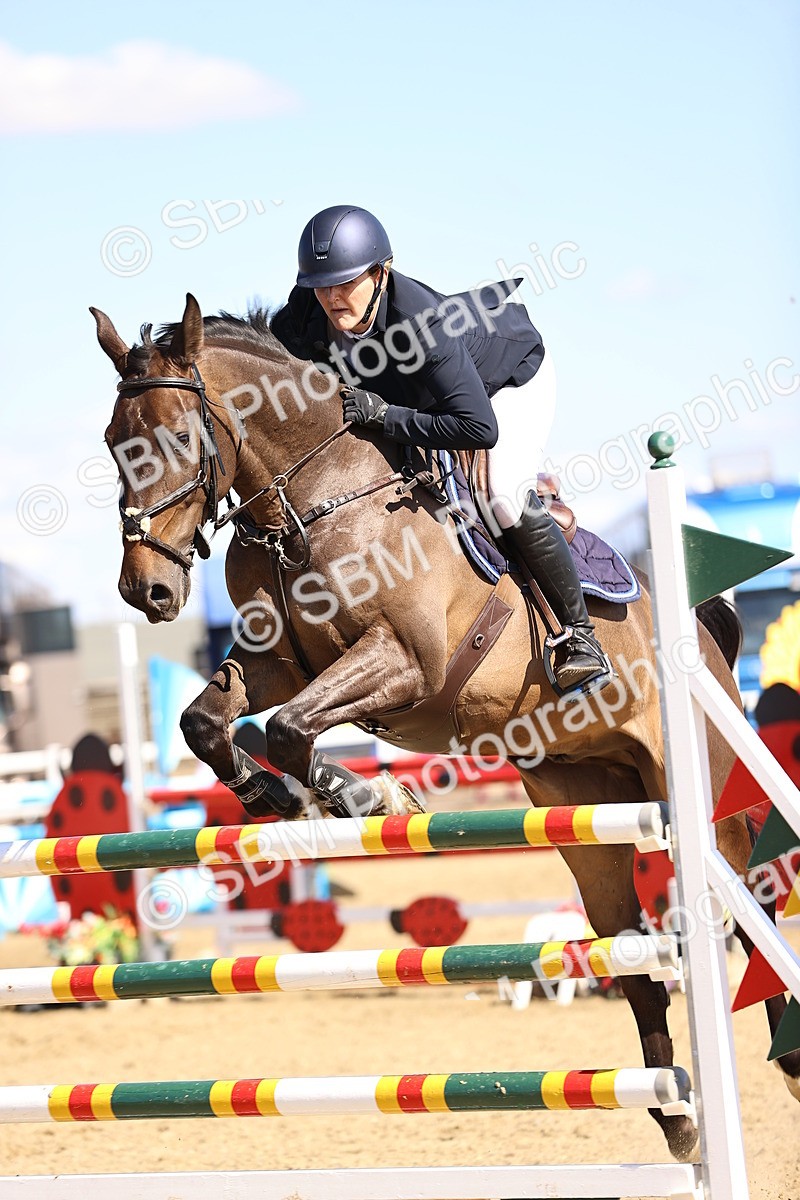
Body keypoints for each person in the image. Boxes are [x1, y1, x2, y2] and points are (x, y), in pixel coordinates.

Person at [271, 205, 611, 695]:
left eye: (345, 283)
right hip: (426, 392)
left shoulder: (423, 325)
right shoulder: (307, 309)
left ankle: (580, 637)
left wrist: (385, 417)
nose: (330, 296)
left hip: (504, 382)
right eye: (322, 285)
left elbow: (478, 427)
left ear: (380, 272)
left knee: (501, 494)